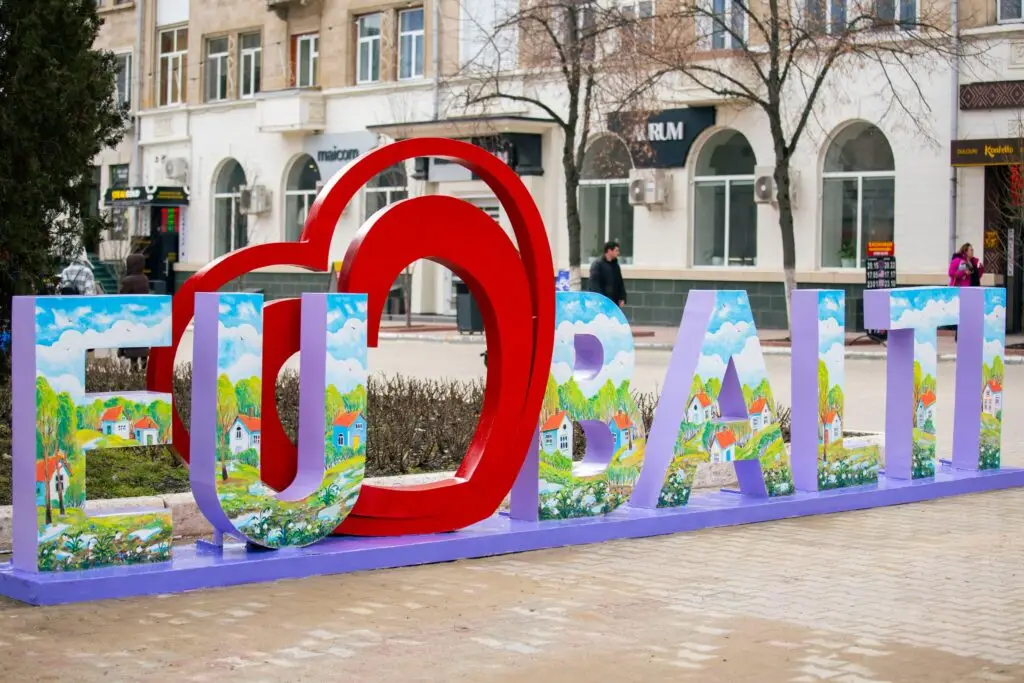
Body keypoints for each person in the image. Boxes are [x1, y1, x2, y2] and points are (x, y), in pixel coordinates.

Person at [118, 254, 151, 370]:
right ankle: (144, 362)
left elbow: (121, 297)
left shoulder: (127, 280)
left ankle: (134, 366)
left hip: (130, 316)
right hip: (143, 316)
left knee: (133, 343)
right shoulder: (144, 279)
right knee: (142, 340)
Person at [589, 240, 627, 308]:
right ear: (609, 250)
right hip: (601, 303)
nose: (618, 253)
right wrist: (600, 300)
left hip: (614, 302)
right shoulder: (597, 265)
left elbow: (620, 282)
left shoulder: (615, 265)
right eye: (616, 250)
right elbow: (594, 285)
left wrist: (622, 297)